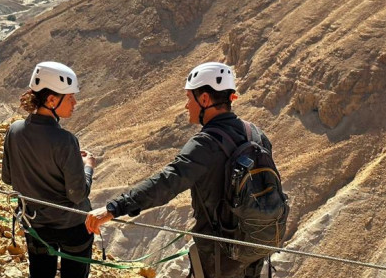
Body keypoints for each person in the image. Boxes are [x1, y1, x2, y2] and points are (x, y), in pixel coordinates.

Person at [85, 62, 273, 278]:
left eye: (188, 98)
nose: (186, 106)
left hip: (220, 255)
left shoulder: (207, 143)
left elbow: (167, 182)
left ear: (204, 99)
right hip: (255, 248)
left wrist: (114, 208)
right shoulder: (256, 134)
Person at [2, 61, 97, 278]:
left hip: (35, 226)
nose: (75, 102)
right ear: (51, 100)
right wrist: (88, 167)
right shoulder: (66, 140)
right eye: (70, 97)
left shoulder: (14, 130)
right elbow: (78, 194)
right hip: (72, 227)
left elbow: (8, 178)